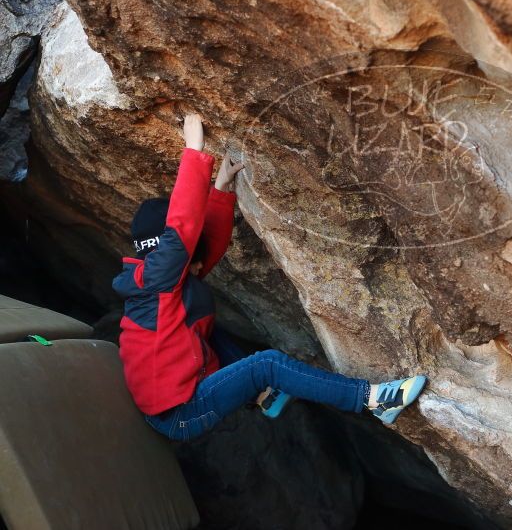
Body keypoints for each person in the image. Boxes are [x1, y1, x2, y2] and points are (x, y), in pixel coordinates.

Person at [112, 113, 426, 442]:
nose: (196, 261)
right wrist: (193, 149)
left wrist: (220, 190)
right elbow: (182, 228)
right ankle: (372, 400)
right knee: (267, 365)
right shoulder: (158, 277)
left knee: (204, 326)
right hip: (179, 412)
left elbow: (208, 249)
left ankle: (266, 397)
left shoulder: (163, 282)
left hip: (178, 392)